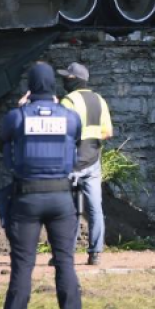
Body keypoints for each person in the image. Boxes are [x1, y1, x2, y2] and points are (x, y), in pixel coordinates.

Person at [1, 62, 82, 309]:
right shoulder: (69, 117)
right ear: (53, 85)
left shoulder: (18, 117)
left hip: (27, 197)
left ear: (30, 86)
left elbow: (3, 142)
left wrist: (21, 108)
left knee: (23, 266)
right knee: (65, 261)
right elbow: (76, 144)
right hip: (61, 198)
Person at [57, 62, 113, 266]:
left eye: (66, 77)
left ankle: (65, 254)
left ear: (74, 80)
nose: (63, 80)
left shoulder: (68, 101)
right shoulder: (99, 100)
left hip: (71, 161)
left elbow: (60, 131)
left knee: (66, 209)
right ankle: (95, 254)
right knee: (95, 209)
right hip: (93, 160)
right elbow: (108, 132)